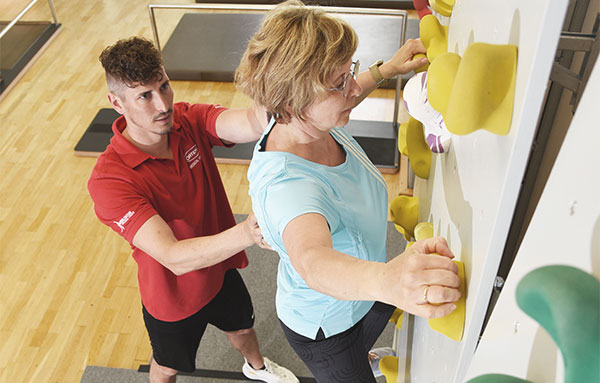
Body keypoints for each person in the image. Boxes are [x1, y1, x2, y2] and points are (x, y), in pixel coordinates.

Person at [235, 1, 462, 382]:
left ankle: (364, 356)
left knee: (367, 335)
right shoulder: (290, 187)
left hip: (362, 286)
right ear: (294, 100)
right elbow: (313, 261)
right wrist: (391, 281)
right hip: (328, 326)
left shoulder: (302, 119)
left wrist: (385, 70)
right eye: (340, 82)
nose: (352, 87)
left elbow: (340, 97)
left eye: (349, 72)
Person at [88, 37, 298, 383]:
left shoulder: (187, 119)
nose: (162, 104)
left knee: (243, 328)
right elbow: (173, 256)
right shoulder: (110, 180)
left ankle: (256, 367)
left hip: (219, 265)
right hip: (172, 296)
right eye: (145, 95)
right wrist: (248, 232)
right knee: (168, 366)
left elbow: (250, 121)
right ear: (116, 102)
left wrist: (276, 78)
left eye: (164, 86)